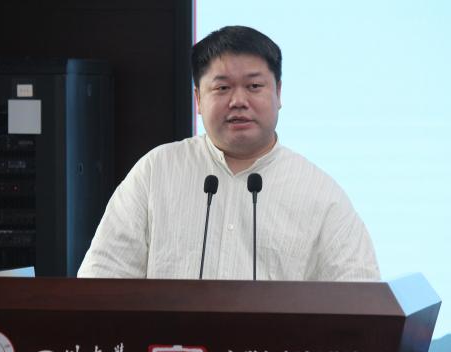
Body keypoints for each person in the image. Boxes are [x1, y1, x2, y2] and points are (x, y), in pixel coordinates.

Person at [78, 26, 380, 281]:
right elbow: (101, 280)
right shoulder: (156, 171)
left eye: (254, 86)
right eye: (222, 88)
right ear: (198, 99)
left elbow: (360, 297)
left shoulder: (319, 193)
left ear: (278, 93)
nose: (238, 101)